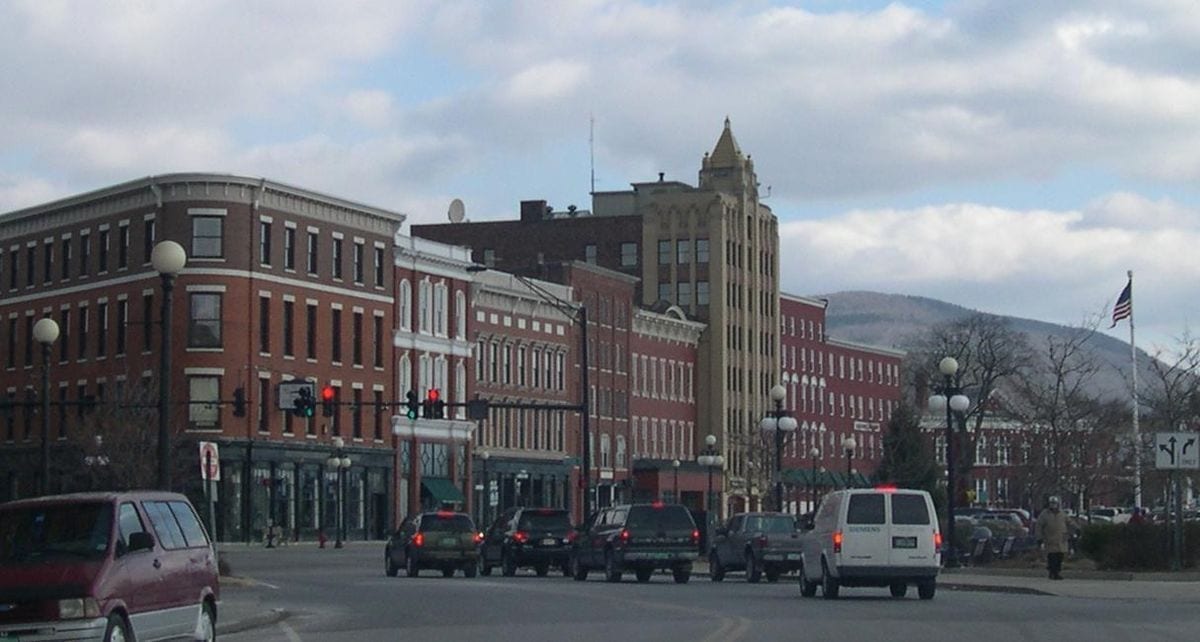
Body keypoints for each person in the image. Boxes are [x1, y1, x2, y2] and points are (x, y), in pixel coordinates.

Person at [1035, 496, 1069, 580]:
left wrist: (1077, 529)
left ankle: (1057, 572)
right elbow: (1039, 526)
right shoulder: (1044, 514)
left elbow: (1069, 521)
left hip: (1061, 539)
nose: (1053, 505)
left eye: (1055, 503)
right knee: (1052, 557)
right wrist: (1039, 537)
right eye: (1051, 503)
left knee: (1060, 556)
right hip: (1049, 539)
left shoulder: (1062, 513)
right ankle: (1053, 573)